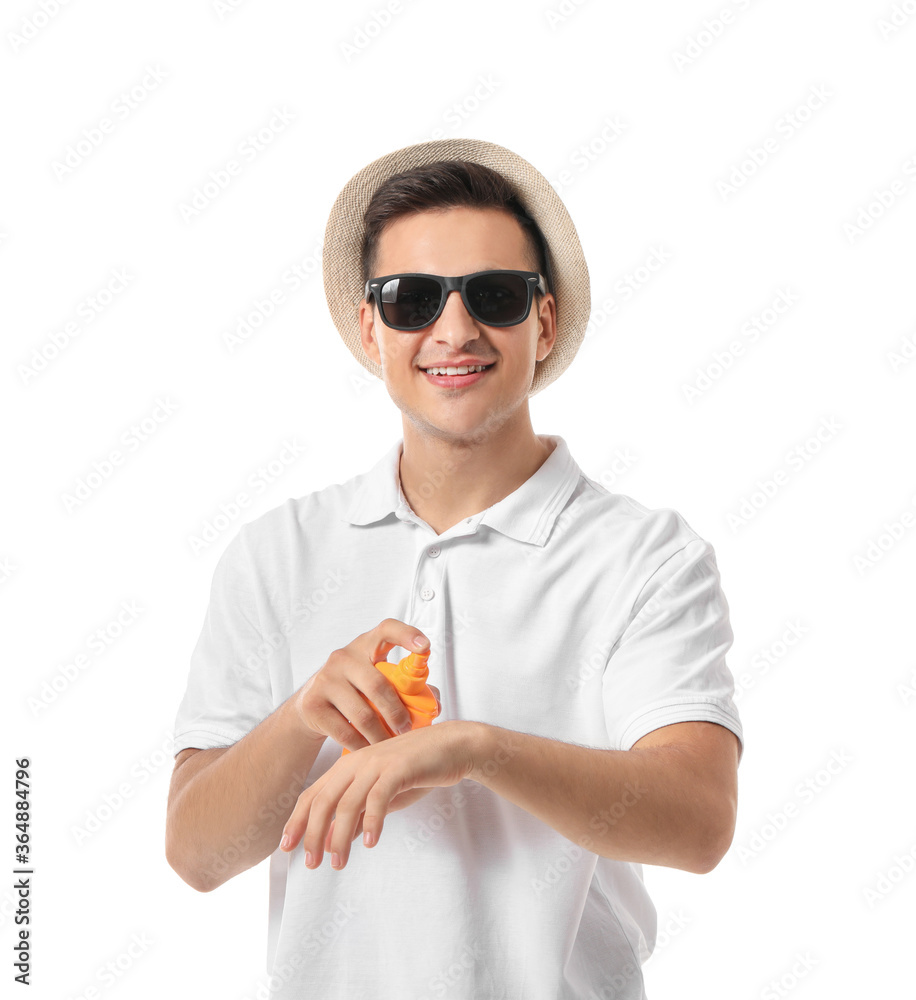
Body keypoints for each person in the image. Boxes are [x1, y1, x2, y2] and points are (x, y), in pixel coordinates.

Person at [166, 137, 744, 1000]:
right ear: (371, 328)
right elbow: (195, 854)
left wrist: (474, 750)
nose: (454, 330)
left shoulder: (647, 558)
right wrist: (303, 714)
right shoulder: (276, 553)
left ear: (544, 322)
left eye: (494, 295)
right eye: (413, 300)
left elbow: (699, 823)